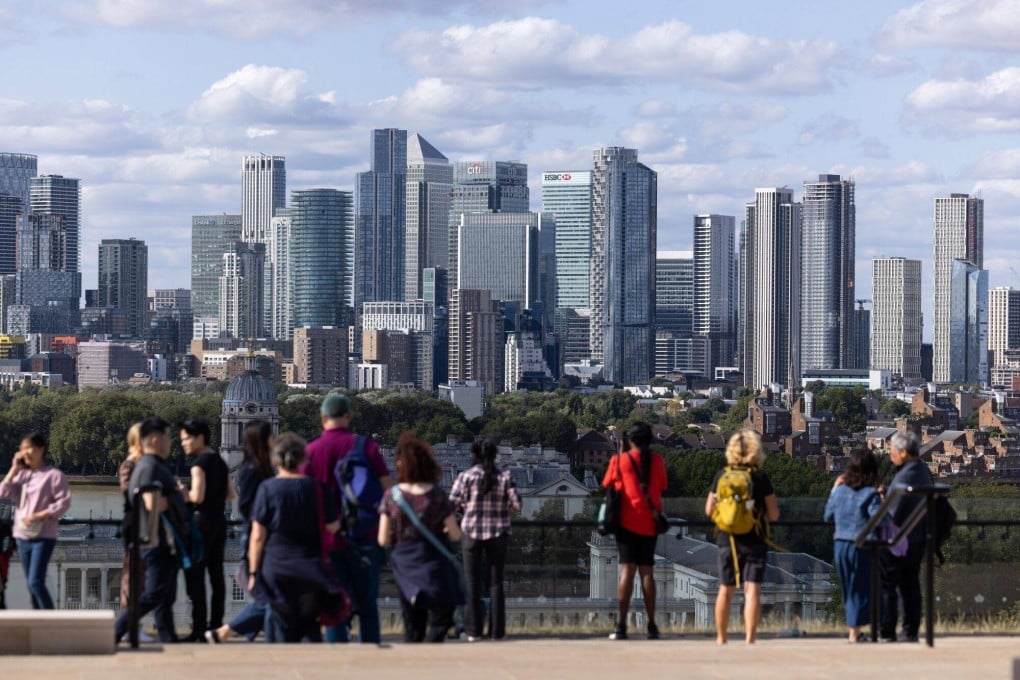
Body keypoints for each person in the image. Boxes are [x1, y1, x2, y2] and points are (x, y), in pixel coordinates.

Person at [302, 392, 392, 644]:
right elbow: (389, 492)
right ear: (349, 417)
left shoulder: (310, 451)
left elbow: (304, 497)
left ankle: (337, 662)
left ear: (323, 418)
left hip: (327, 540)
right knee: (367, 605)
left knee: (333, 606)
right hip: (365, 535)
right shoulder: (367, 447)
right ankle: (371, 660)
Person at [248, 432, 341, 643]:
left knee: (280, 628)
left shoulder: (267, 489)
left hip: (277, 567)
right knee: (309, 626)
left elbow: (257, 537)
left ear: (275, 459)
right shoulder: (318, 488)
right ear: (302, 459)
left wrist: (254, 572)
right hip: (310, 567)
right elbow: (333, 526)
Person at [378, 431, 462, 643]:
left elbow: (383, 540)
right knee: (440, 621)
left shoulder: (393, 496)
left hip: (405, 564)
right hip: (434, 563)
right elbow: (454, 533)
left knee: (412, 626)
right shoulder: (437, 495)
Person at [115, 417, 187, 644]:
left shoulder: (150, 465)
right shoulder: (150, 467)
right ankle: (116, 630)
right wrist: (180, 497)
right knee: (155, 593)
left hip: (159, 538)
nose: (171, 443)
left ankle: (168, 637)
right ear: (156, 439)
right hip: (156, 539)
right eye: (168, 437)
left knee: (165, 595)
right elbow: (151, 503)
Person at [705, 430, 780, 645]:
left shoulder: (722, 475)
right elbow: (773, 514)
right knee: (752, 589)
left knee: (725, 589)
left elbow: (709, 510)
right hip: (755, 539)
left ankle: (721, 637)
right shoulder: (760, 478)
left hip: (726, 539)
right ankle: (750, 637)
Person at [207, 420, 275, 644]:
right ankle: (227, 631)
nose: (275, 440)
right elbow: (246, 508)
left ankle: (253, 634)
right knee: (267, 597)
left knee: (267, 595)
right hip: (257, 534)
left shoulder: (260, 469)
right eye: (271, 437)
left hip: (263, 534)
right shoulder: (250, 471)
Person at [449, 439, 521, 641]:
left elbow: (451, 505)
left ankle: (473, 630)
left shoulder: (465, 477)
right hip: (498, 534)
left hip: (471, 533)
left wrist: (466, 511)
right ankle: (497, 631)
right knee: (496, 583)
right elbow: (517, 505)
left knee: (471, 583)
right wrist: (502, 511)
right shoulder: (505, 477)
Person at [601, 422, 667, 641]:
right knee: (647, 573)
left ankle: (621, 626)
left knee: (626, 573)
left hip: (626, 524)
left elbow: (610, 485)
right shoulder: (657, 461)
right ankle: (651, 625)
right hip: (650, 523)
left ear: (629, 440)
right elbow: (661, 486)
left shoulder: (619, 461)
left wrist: (620, 455)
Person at [0, 432, 71, 609]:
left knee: (35, 581)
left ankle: (50, 623)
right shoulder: (23, 475)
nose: (25, 452)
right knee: (32, 585)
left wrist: (40, 515)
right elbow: (3, 493)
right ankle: (40, 623)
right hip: (23, 534)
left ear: (41, 449)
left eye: (29, 448)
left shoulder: (54, 475)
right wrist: (13, 469)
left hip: (44, 534)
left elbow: (64, 502)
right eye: (22, 449)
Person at [178, 418, 234, 642]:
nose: (183, 444)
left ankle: (199, 629)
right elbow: (231, 494)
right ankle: (216, 627)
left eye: (186, 439)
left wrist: (184, 493)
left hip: (201, 523)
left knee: (197, 576)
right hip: (220, 522)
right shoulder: (220, 461)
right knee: (217, 576)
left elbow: (197, 496)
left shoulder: (199, 464)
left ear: (199, 437)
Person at [879, 429, 932, 643]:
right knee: (910, 585)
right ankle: (910, 630)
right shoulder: (921, 469)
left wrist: (883, 501)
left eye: (891, 450)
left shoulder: (907, 474)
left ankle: (887, 630)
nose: (889, 454)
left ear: (902, 452)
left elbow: (894, 513)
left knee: (889, 585)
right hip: (916, 537)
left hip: (899, 540)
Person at [824, 449, 882, 643]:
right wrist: (883, 501)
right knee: (861, 588)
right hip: (861, 545)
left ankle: (854, 632)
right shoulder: (870, 494)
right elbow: (881, 521)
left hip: (839, 545)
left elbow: (827, 516)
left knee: (849, 588)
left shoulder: (839, 491)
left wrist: (834, 489)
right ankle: (855, 633)